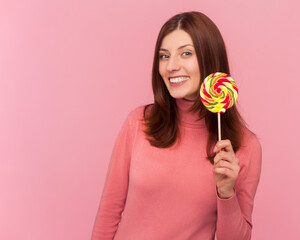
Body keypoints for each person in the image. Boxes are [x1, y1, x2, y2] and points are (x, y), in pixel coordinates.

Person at [91, 11, 262, 240]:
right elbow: (109, 213)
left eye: (186, 53)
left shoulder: (244, 147)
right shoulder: (138, 123)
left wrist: (226, 192)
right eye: (164, 56)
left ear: (210, 57)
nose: (171, 66)